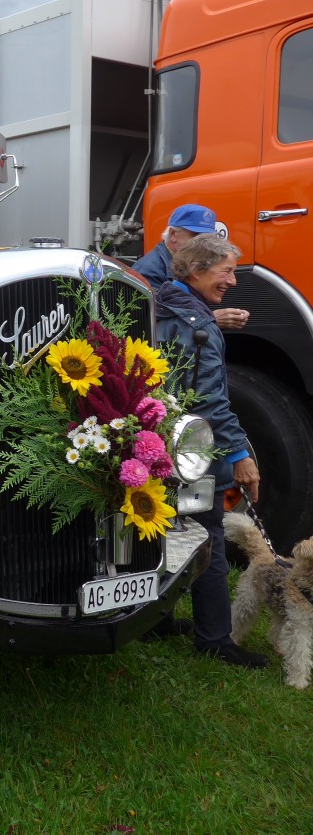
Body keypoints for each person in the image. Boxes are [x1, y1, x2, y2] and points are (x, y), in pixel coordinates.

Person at [151, 233, 267, 668]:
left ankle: (156, 619)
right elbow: (210, 401)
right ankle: (215, 639)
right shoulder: (199, 327)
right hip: (194, 449)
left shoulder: (160, 306)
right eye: (226, 272)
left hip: (158, 444)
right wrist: (239, 454)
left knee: (163, 530)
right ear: (196, 271)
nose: (233, 282)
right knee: (209, 537)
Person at [133, 204, 249, 331]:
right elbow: (147, 323)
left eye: (207, 238)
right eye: (196, 236)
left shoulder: (183, 263)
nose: (202, 244)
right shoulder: (148, 271)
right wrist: (210, 318)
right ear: (172, 234)